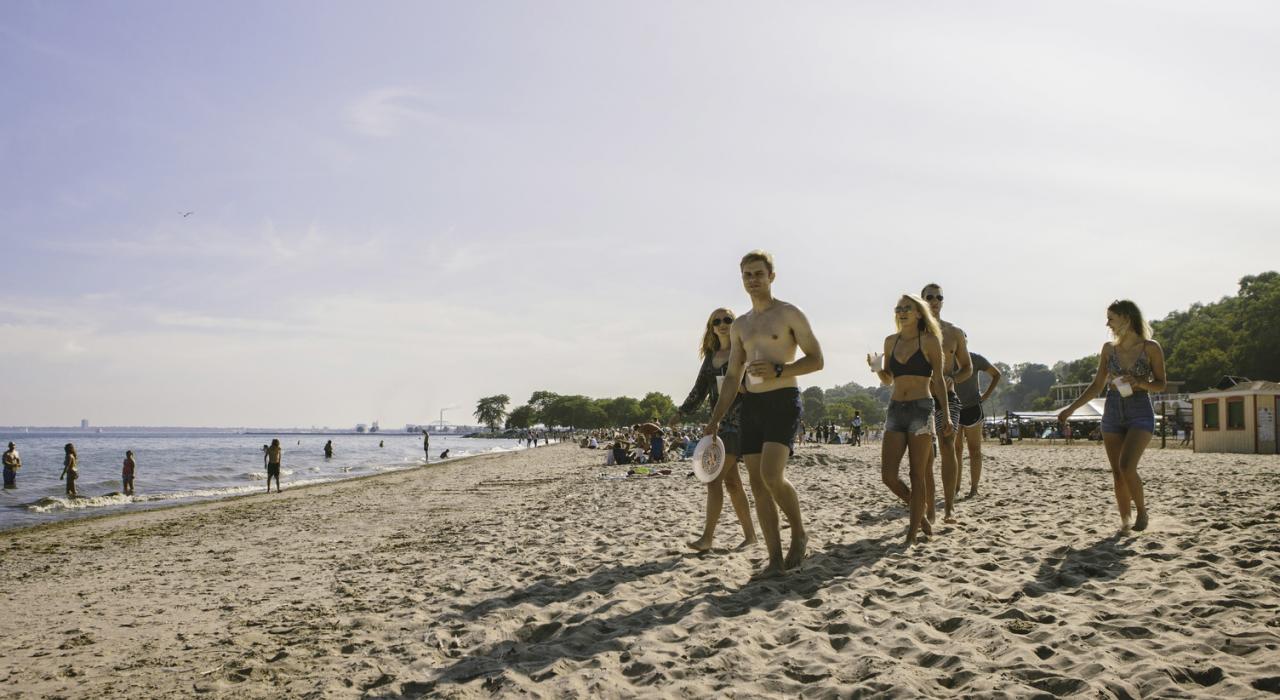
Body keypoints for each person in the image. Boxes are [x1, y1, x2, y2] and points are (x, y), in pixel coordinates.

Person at [705, 250, 823, 579]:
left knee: (772, 476)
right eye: (747, 275)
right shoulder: (740, 325)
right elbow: (732, 377)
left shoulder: (788, 314)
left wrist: (779, 369)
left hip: (783, 400)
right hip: (752, 406)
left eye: (758, 273)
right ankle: (774, 560)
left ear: (771, 276)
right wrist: (715, 419)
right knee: (757, 484)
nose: (753, 279)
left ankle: (798, 531)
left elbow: (817, 360)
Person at [1058, 299, 1166, 532]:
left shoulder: (1151, 348)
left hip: (1140, 410)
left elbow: (1161, 384)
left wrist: (1140, 383)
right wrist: (1070, 409)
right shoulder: (1108, 349)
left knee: (1127, 466)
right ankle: (1125, 521)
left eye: (1111, 319)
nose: (1107, 324)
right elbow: (1097, 385)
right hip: (1113, 409)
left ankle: (1142, 512)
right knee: (1117, 473)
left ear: (1126, 318)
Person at [869, 295, 951, 546]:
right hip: (895, 409)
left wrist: (945, 414)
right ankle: (920, 514)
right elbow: (888, 379)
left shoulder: (929, 341)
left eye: (908, 308)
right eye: (899, 308)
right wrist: (876, 368)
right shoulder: (890, 341)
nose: (902, 312)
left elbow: (938, 380)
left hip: (921, 409)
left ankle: (912, 533)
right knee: (888, 476)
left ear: (918, 313)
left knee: (918, 474)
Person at [678, 306, 757, 552]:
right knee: (732, 483)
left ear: (735, 324)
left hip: (739, 423)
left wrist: (741, 386)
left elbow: (757, 384)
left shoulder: (743, 351)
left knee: (713, 479)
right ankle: (751, 537)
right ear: (711, 328)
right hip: (718, 425)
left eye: (727, 319)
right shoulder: (711, 357)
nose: (722, 324)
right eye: (717, 321)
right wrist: (681, 412)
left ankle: (707, 538)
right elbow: (699, 390)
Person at [921, 283, 971, 524]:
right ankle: (930, 508)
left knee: (949, 444)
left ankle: (949, 508)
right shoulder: (915, 332)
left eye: (939, 297)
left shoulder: (954, 333)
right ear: (922, 301)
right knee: (926, 454)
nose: (935, 301)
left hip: (948, 399)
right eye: (930, 297)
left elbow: (967, 367)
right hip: (922, 398)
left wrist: (954, 378)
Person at [952, 352, 1001, 497]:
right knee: (956, 450)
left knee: (974, 450)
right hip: (953, 407)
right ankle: (955, 488)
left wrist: (985, 395)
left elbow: (996, 374)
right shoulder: (946, 358)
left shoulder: (974, 358)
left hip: (972, 407)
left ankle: (974, 489)